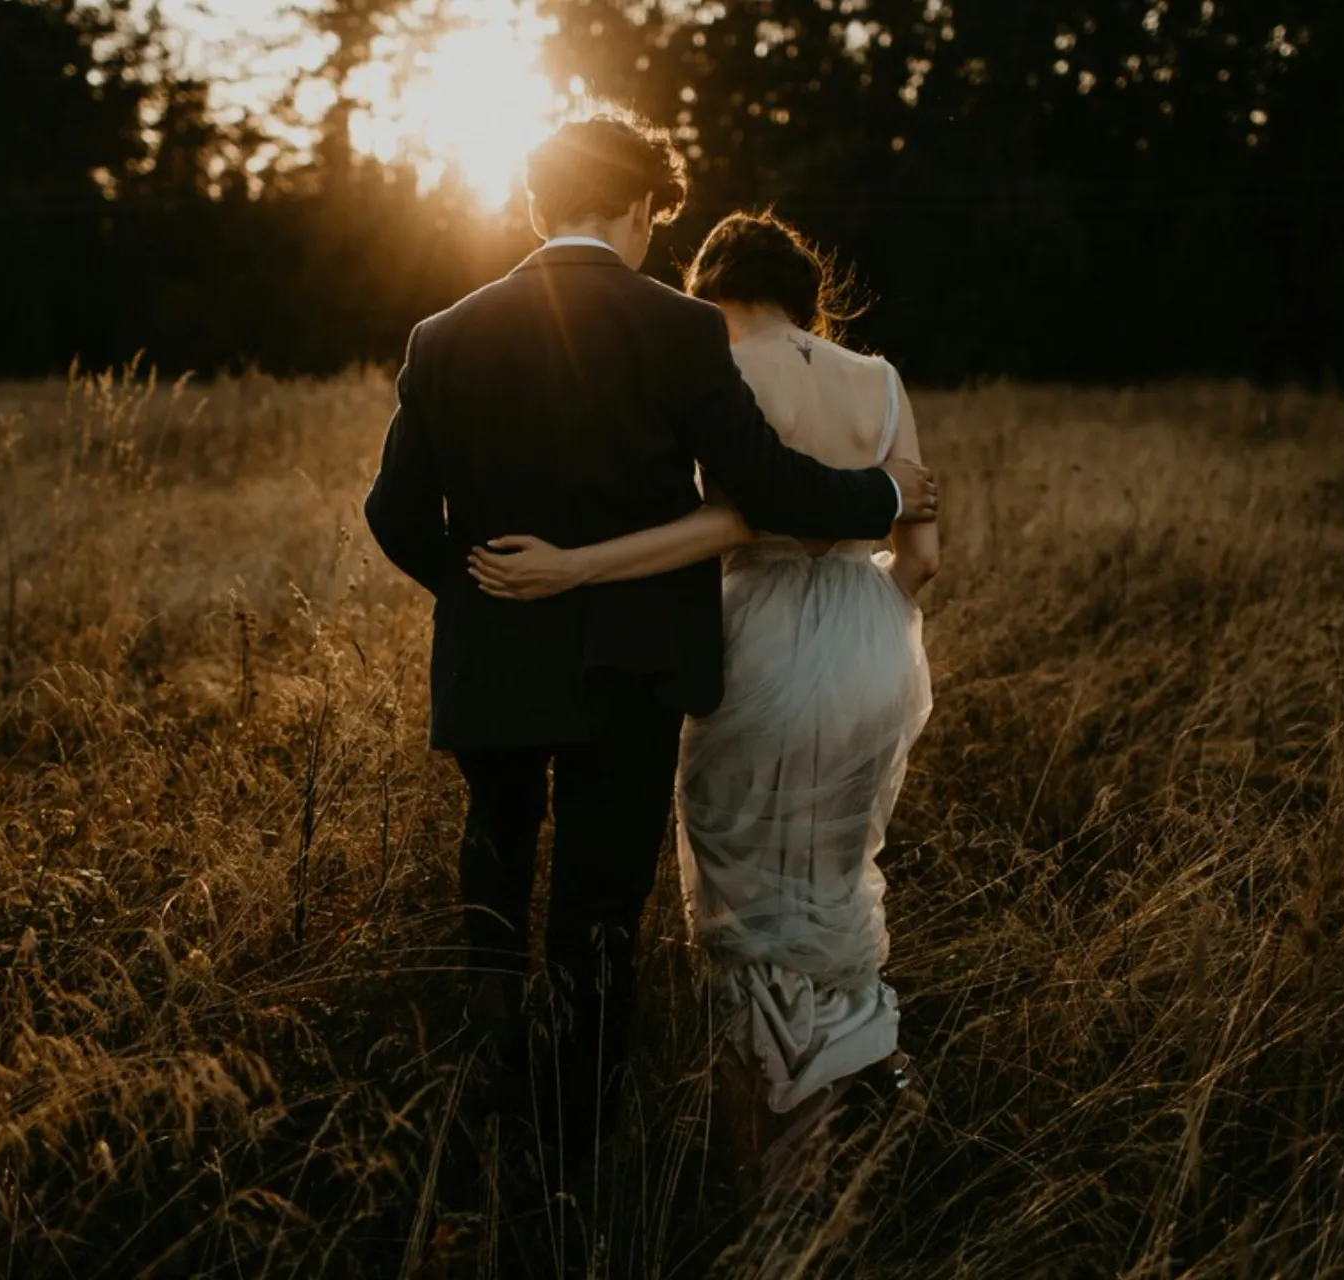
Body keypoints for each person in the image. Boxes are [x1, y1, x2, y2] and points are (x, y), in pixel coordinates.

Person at [362, 116, 938, 1182]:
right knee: (597, 908)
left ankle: (483, 1090)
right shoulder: (679, 330)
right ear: (638, 208)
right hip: (632, 664)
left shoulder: (443, 333)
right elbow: (762, 489)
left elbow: (393, 511)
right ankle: (572, 1143)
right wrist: (887, 493)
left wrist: (484, 588)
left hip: (495, 661)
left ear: (536, 206)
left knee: (494, 865)